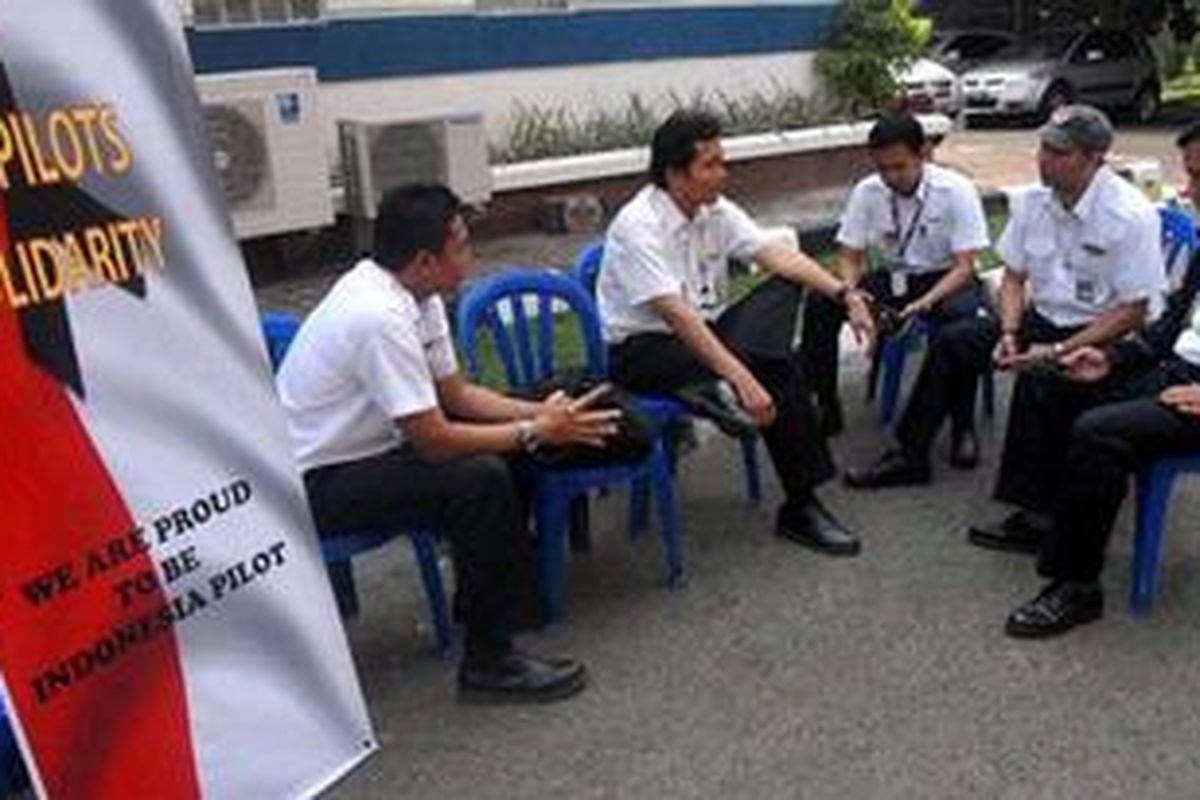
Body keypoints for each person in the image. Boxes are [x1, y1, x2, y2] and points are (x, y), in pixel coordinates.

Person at [277, 184, 621, 703]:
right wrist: (535, 431)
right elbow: (436, 440)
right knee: (477, 480)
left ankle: (498, 609)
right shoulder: (376, 315)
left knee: (507, 453)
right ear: (424, 259)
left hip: (372, 451)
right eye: (460, 244)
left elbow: (456, 394)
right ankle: (489, 665)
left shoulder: (420, 293)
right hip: (315, 483)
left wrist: (543, 413)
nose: (470, 253)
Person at [597, 108, 876, 557]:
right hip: (645, 350)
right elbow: (678, 318)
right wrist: (742, 376)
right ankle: (795, 495)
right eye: (710, 165)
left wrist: (845, 295)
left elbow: (776, 256)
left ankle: (718, 394)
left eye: (722, 161)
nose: (722, 174)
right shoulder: (638, 227)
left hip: (710, 333)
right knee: (773, 368)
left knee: (788, 286)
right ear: (674, 173)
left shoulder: (714, 210)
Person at [966, 105, 1167, 554]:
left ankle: (1039, 516)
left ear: (1095, 158)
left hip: (1107, 331)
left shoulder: (1129, 215)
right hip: (1046, 316)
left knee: (1043, 377)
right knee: (962, 340)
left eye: (1059, 151)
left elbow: (1134, 311)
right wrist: (1010, 330)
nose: (1044, 159)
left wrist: (1056, 349)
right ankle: (941, 445)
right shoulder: (1036, 201)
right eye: (1043, 147)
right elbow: (1013, 276)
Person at [1003, 266, 1200, 637]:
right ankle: (1041, 517)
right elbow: (1168, 329)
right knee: (1050, 379)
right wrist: (1111, 359)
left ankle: (1077, 585)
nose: (1191, 203)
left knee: (1099, 433)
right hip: (1178, 372)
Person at [801, 113, 992, 488]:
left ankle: (962, 426)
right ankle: (827, 404)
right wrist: (852, 294)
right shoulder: (868, 191)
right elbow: (850, 254)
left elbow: (965, 266)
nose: (891, 177)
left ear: (924, 154)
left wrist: (926, 303)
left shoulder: (956, 190)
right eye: (882, 168)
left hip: (946, 280)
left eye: (899, 167)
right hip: (893, 279)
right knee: (822, 301)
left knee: (960, 324)